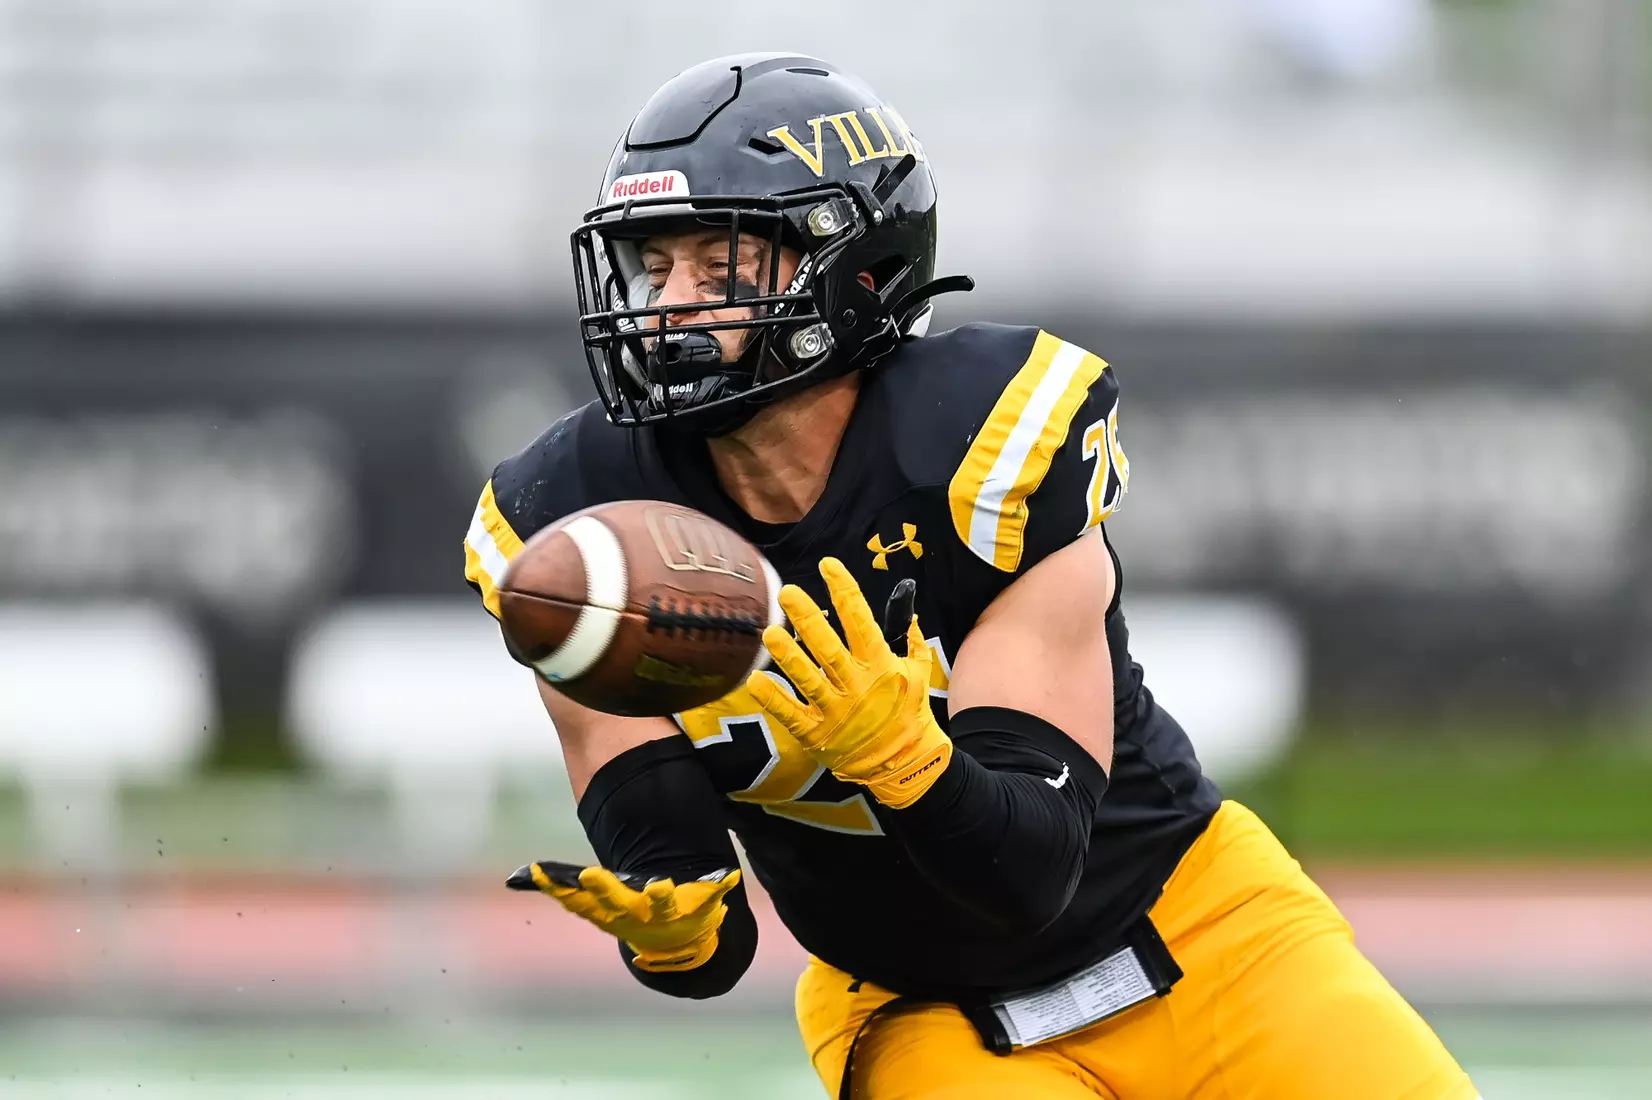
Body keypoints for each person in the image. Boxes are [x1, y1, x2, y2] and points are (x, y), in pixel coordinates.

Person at [463, 52, 1478, 1100]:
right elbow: (700, 923)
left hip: (1197, 929)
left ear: (849, 270)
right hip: (920, 1007)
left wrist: (899, 754)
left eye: (719, 272)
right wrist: (672, 930)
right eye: (651, 267)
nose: (668, 306)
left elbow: (1027, 871)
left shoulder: (979, 454)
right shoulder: (575, 532)